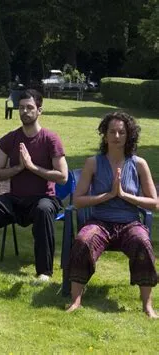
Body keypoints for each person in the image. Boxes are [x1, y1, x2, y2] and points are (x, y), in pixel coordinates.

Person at [0, 89, 68, 282]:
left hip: (44, 199)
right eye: (21, 108)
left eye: (30, 108)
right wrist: (19, 167)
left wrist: (32, 167)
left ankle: (44, 272)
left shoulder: (50, 139)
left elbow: (63, 176)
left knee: (44, 210)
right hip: (15, 199)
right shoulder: (10, 139)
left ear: (39, 111)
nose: (25, 112)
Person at [66, 112, 158, 318]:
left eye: (122, 132)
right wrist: (107, 195)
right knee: (83, 240)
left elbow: (154, 203)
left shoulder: (139, 164)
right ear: (105, 135)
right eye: (112, 132)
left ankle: (147, 305)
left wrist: (124, 195)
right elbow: (78, 200)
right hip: (100, 222)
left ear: (128, 136)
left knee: (143, 242)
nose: (117, 136)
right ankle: (75, 300)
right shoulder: (93, 163)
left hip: (129, 223)